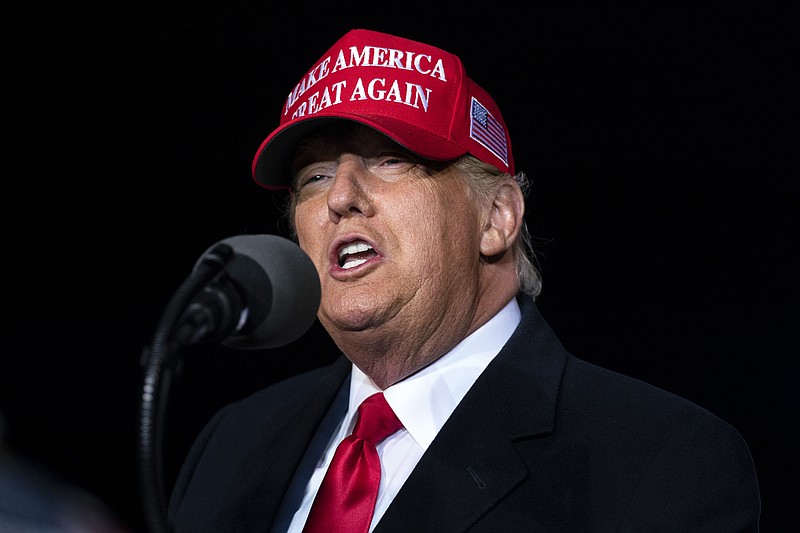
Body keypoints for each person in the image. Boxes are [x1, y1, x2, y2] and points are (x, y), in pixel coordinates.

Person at [167, 28, 761, 532]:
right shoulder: (231, 444)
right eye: (315, 176)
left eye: (391, 160)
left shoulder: (661, 460)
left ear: (496, 218)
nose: (341, 198)